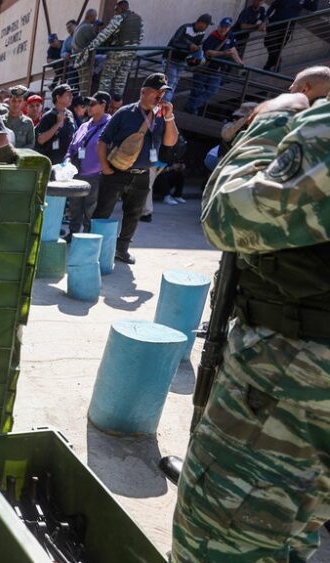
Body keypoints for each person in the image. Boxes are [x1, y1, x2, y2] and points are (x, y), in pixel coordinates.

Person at [171, 90, 330, 562]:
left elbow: (228, 215)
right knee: (294, 523)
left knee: (221, 539)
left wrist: (272, 119)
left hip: (291, 377)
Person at [93, 73, 179, 265]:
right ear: (143, 91)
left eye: (163, 92)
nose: (160, 96)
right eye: (157, 91)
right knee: (103, 211)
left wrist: (170, 117)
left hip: (142, 175)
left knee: (133, 214)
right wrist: (105, 168)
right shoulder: (125, 112)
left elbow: (170, 142)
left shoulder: (161, 116)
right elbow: (102, 141)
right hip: (116, 172)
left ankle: (122, 249)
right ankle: (93, 247)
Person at [77, 1, 144, 98]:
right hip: (130, 54)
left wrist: (91, 46)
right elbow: (140, 37)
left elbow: (105, 34)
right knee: (121, 80)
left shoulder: (119, 17)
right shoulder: (138, 19)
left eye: (116, 9)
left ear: (121, 8)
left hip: (117, 53)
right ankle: (116, 102)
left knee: (106, 78)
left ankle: (101, 101)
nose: (115, 12)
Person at [66, 91, 111, 235]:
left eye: (92, 104)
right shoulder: (85, 125)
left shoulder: (110, 126)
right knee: (74, 208)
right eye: (88, 104)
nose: (88, 107)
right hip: (77, 174)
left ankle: (86, 239)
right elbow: (72, 147)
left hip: (96, 176)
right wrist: (67, 160)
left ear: (103, 105)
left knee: (90, 210)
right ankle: (72, 235)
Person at [185, 18, 243, 116]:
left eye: (226, 27)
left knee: (213, 90)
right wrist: (223, 53)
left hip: (216, 70)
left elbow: (233, 50)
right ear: (219, 26)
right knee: (196, 90)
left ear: (229, 28)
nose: (224, 29)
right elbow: (208, 53)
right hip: (203, 68)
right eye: (222, 27)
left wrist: (240, 63)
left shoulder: (230, 36)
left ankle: (192, 106)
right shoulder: (212, 37)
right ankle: (192, 110)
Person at [164, 14, 212, 103]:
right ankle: (164, 105)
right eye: (206, 25)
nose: (206, 27)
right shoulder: (185, 28)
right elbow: (175, 42)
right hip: (171, 58)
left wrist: (197, 52)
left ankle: (163, 104)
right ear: (201, 23)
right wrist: (189, 46)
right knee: (171, 82)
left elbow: (197, 45)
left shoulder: (202, 33)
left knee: (174, 83)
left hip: (182, 60)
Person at [264, 0, 317, 71]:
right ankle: (277, 61)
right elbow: (273, 6)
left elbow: (313, 8)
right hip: (274, 25)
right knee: (269, 43)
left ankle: (268, 66)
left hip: (287, 28)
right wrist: (265, 19)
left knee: (278, 47)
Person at [35, 84, 76, 165]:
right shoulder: (48, 116)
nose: (71, 97)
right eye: (68, 95)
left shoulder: (70, 114)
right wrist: (58, 123)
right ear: (58, 98)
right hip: (50, 162)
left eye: (71, 95)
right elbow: (40, 140)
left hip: (65, 162)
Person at [71, 9, 99, 95]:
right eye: (94, 17)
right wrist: (97, 30)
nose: (95, 19)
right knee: (86, 80)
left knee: (82, 79)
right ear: (90, 16)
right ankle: (84, 98)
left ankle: (83, 97)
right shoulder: (87, 27)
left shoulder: (79, 27)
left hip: (78, 57)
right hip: (84, 57)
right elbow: (95, 41)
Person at [4, 85, 36, 149]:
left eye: (19, 101)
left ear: (24, 103)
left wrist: (16, 152)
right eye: (13, 100)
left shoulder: (28, 122)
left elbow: (31, 144)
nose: (16, 104)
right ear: (9, 101)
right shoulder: (0, 120)